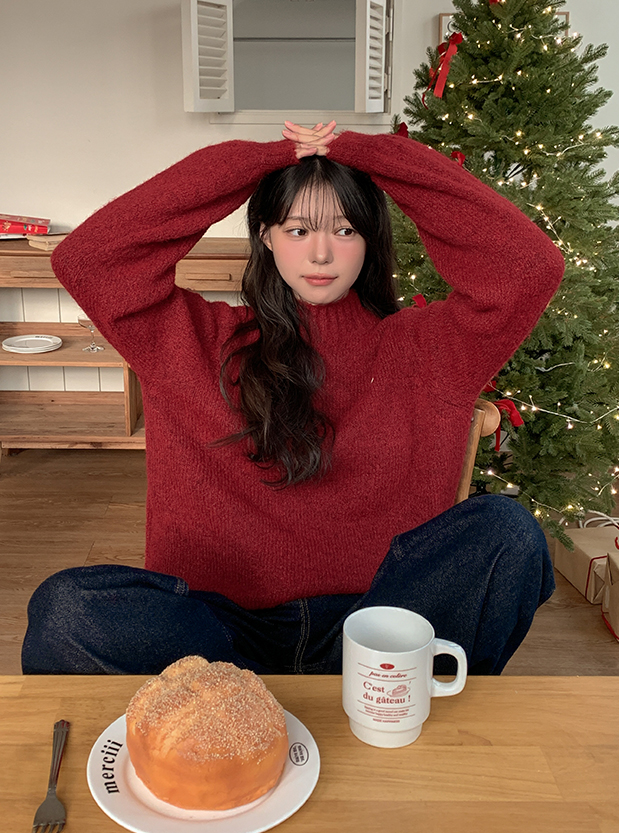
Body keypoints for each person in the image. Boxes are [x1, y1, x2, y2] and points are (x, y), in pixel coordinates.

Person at [21, 121, 565, 676]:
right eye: (298, 229)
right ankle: (248, 708)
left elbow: (528, 269)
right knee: (67, 609)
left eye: (346, 230)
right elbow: (89, 259)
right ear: (265, 235)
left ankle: (366, 699)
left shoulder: (429, 349)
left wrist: (377, 156)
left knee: (507, 531)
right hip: (220, 638)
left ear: (370, 239)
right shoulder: (196, 342)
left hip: (378, 629)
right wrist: (257, 161)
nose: (322, 253)